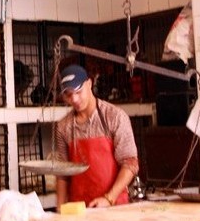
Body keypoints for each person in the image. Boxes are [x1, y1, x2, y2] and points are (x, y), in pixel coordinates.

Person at [54, 64, 139, 209]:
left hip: (114, 206)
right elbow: (62, 173)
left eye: (78, 91)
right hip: (79, 208)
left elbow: (130, 163)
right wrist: (60, 208)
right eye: (68, 94)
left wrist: (109, 198)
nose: (74, 99)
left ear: (89, 83)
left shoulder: (114, 117)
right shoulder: (63, 127)